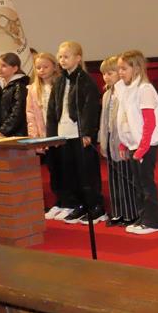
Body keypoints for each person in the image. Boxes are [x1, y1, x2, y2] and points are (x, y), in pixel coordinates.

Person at [46, 41, 106, 225]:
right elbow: (52, 109)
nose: (62, 60)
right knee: (70, 172)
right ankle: (79, 204)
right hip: (63, 134)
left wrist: (87, 133)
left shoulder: (85, 80)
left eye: (66, 56)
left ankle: (95, 207)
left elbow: (90, 108)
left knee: (86, 172)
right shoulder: (59, 81)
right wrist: (52, 135)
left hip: (80, 134)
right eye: (60, 56)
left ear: (78, 58)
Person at [116, 49, 158, 235]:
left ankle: (153, 221)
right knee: (137, 184)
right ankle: (143, 217)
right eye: (119, 69)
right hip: (134, 143)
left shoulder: (145, 90)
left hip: (146, 144)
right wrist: (124, 142)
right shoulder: (125, 89)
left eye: (124, 68)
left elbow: (149, 122)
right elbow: (125, 119)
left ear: (136, 68)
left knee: (146, 184)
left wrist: (143, 147)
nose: (120, 72)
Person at [26, 52, 69, 220]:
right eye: (38, 67)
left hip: (61, 134)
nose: (41, 70)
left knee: (65, 168)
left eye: (45, 67)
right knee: (53, 169)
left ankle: (69, 202)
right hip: (44, 136)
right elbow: (30, 114)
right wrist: (34, 136)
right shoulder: (32, 89)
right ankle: (59, 201)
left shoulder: (61, 84)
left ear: (54, 67)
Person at [98, 56, 139, 227]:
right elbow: (103, 120)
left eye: (110, 73)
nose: (106, 77)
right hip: (109, 140)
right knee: (113, 178)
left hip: (122, 140)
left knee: (126, 178)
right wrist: (102, 140)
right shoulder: (107, 94)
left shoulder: (126, 93)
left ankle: (130, 213)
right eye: (104, 74)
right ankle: (117, 212)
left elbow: (127, 120)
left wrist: (125, 140)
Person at [0, 52, 29, 138]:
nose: (0, 69)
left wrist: (3, 131)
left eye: (4, 66)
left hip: (15, 134)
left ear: (15, 68)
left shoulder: (20, 86)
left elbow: (17, 112)